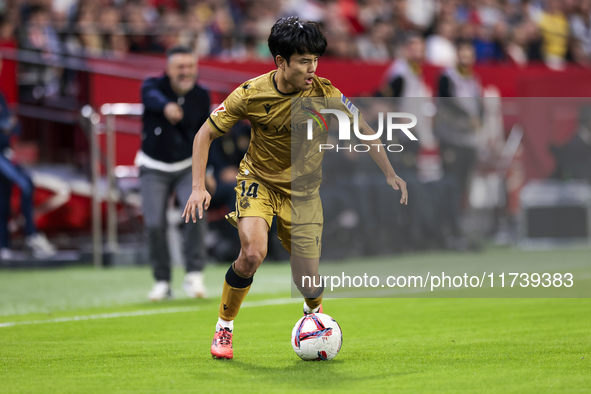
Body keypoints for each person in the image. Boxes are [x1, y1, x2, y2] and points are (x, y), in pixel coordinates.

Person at [182, 17, 408, 360]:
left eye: (315, 60)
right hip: (257, 182)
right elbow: (205, 134)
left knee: (308, 280)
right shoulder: (251, 93)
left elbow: (364, 129)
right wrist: (198, 186)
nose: (312, 68)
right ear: (280, 62)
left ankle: (314, 315)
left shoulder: (325, 93)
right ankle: (224, 327)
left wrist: (391, 173)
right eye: (304, 61)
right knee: (252, 253)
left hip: (303, 193)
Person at [137, 45, 214, 301]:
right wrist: (166, 106)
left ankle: (194, 274)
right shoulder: (153, 86)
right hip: (153, 165)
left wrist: (207, 170)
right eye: (180, 67)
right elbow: (150, 97)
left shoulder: (202, 95)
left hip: (186, 166)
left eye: (190, 66)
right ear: (168, 69)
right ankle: (162, 280)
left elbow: (207, 135)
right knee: (154, 223)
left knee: (195, 213)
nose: (186, 72)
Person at [0, 73, 56, 260]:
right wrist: (6, 125)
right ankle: (29, 235)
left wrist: (8, 125)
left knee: (13, 193)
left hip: (5, 153)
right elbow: (8, 124)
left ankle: (14, 241)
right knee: (23, 185)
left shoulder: (1, 95)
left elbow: (15, 126)